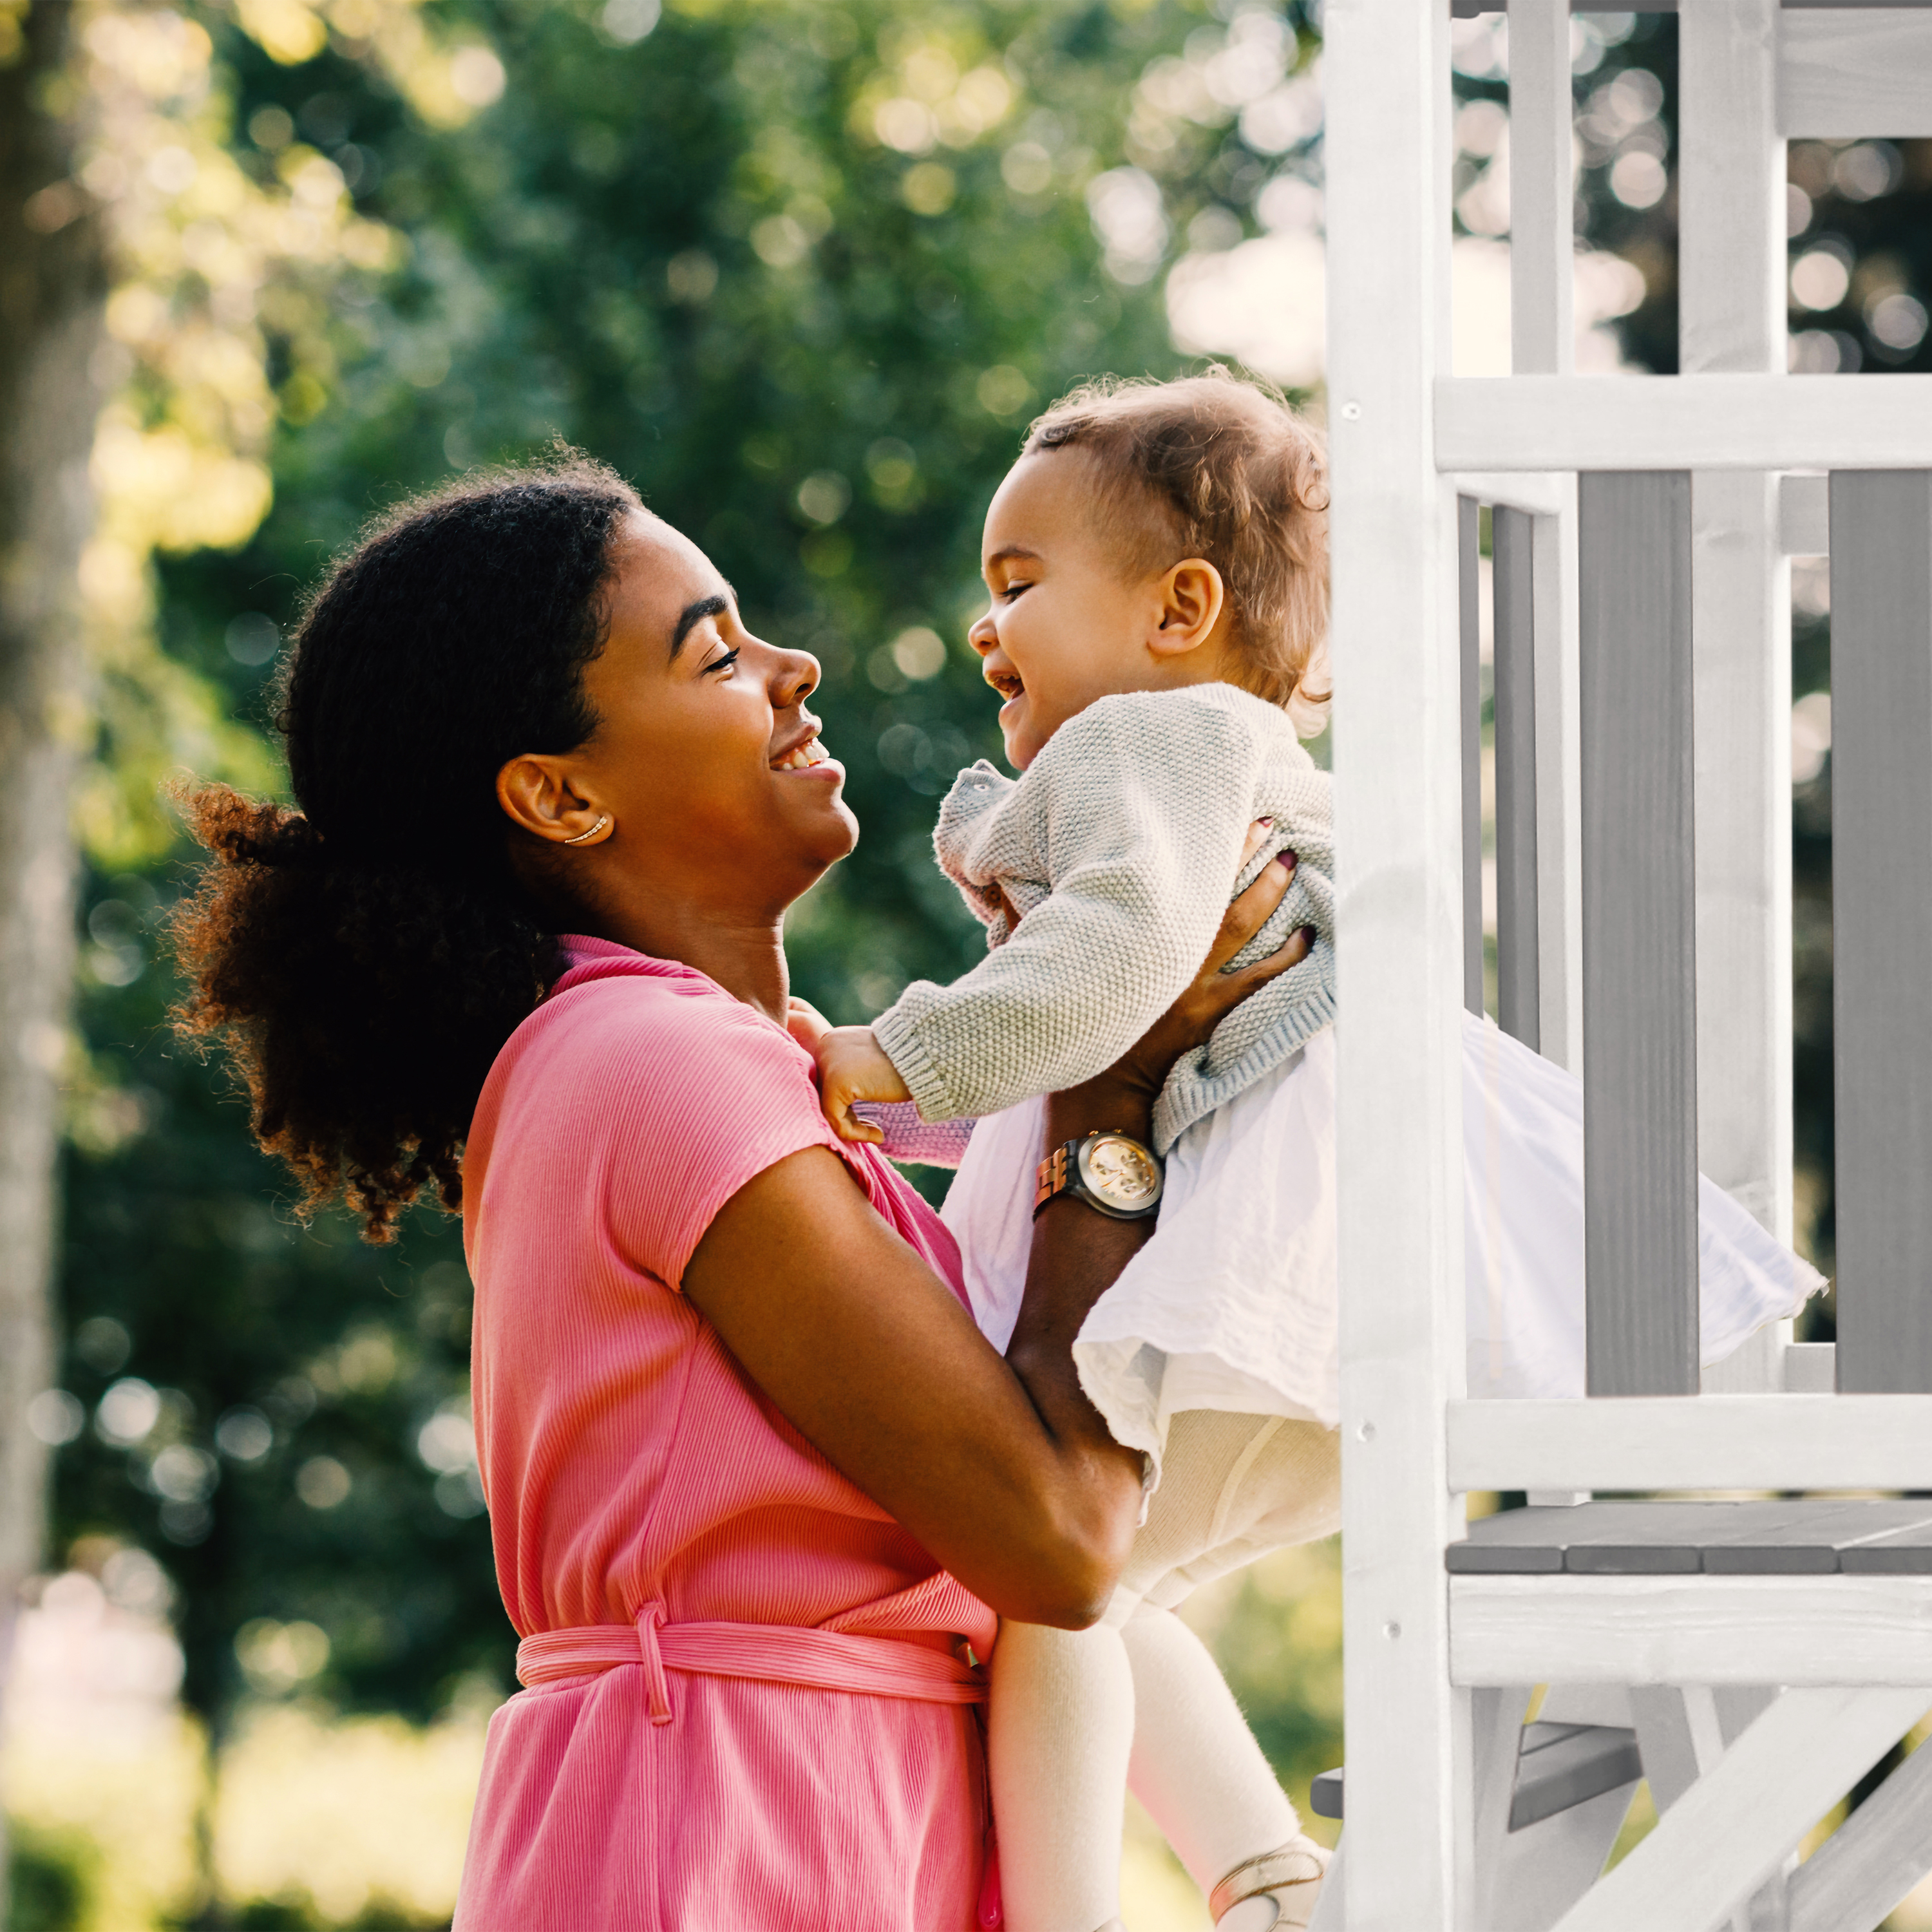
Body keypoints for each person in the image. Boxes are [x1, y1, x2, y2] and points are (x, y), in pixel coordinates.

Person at [165, 452, 1311, 1932]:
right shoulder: (655, 1065)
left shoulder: (738, 1070)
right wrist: (1115, 1090)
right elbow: (1058, 1539)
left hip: (813, 1805)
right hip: (725, 1829)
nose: (793, 666)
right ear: (563, 795)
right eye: (715, 652)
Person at [809, 371, 1825, 1932]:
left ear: (1179, 607)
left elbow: (1111, 969)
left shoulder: (1156, 738)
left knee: (1049, 1579)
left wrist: (889, 1060)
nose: (981, 625)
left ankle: (1075, 1912)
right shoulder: (1228, 752)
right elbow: (1084, 1041)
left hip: (1250, 1228)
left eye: (1018, 585)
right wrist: (902, 1098)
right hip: (1296, 1232)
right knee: (1097, 1578)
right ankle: (1267, 1877)